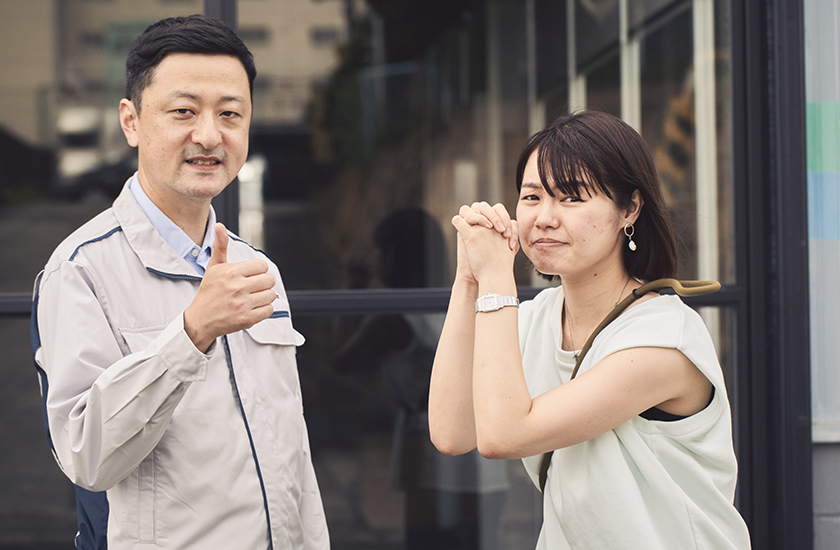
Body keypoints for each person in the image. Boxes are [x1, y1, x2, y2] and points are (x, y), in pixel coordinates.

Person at [31, 15, 329, 550]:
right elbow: (84, 455)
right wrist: (191, 333)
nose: (209, 135)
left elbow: (293, 453)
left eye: (230, 114)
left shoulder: (257, 269)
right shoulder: (80, 270)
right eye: (183, 111)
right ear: (132, 121)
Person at [428, 110, 751, 549]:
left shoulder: (662, 339)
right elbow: (452, 432)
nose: (544, 217)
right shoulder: (536, 318)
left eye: (572, 198)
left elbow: (503, 436)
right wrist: (469, 279)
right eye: (531, 197)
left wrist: (498, 279)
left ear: (629, 209)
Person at [333, 208, 508, 550]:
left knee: (429, 539)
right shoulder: (455, 301)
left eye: (381, 251)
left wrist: (352, 287)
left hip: (432, 443)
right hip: (480, 442)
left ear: (394, 253)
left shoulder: (394, 319)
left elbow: (342, 360)